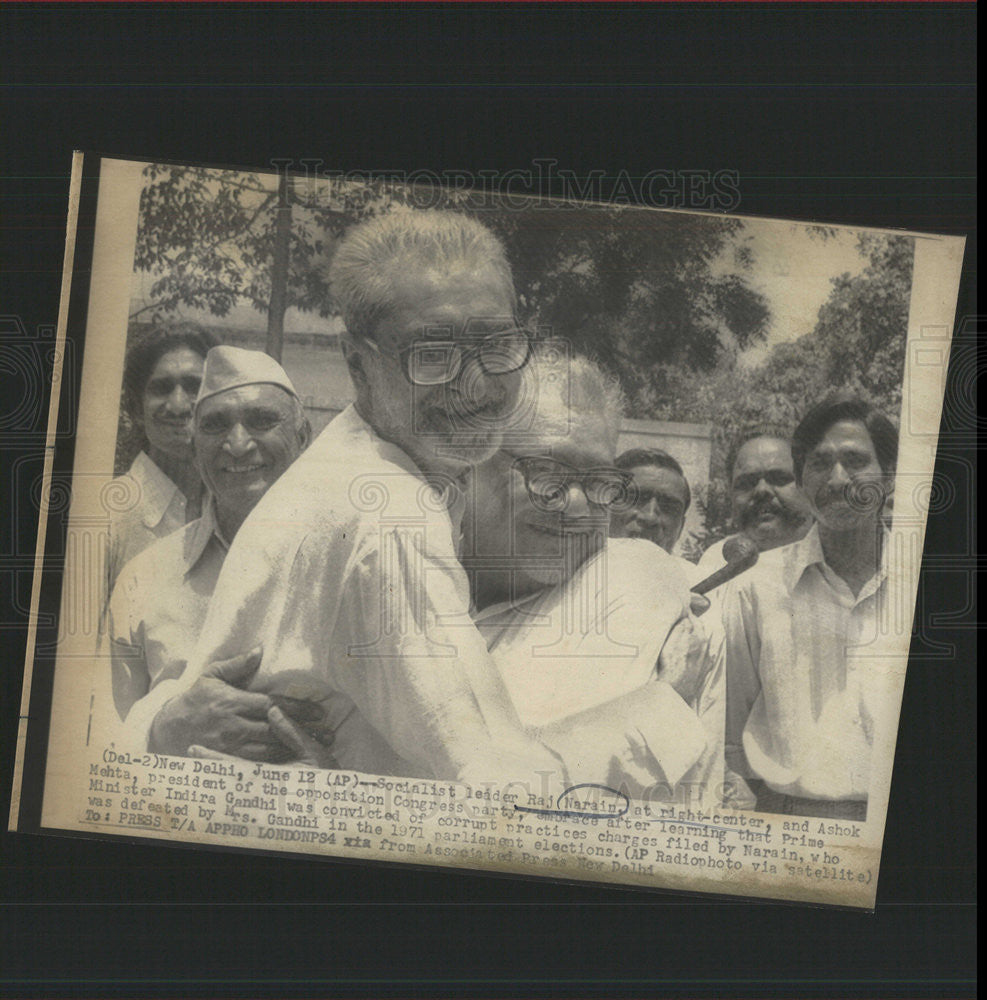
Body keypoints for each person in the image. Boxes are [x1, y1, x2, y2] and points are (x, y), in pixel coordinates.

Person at [143, 209, 577, 789]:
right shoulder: (387, 515)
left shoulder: (371, 470)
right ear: (358, 364)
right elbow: (493, 780)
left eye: (496, 345)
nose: (477, 382)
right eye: (433, 353)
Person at [467, 353, 724, 804]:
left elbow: (497, 796)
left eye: (600, 482)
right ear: (469, 462)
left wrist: (658, 711)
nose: (577, 506)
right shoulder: (404, 581)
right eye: (547, 472)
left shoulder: (632, 586)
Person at [106, 347, 310, 722]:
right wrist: (161, 731)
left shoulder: (354, 562)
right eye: (215, 426)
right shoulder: (142, 578)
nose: (237, 444)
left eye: (261, 420)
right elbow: (103, 732)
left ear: (303, 437)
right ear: (196, 449)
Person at [722, 394, 898, 820]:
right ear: (802, 483)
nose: (838, 479)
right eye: (819, 464)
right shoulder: (758, 589)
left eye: (855, 461)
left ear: (890, 477)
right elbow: (731, 727)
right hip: (785, 820)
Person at [106, 323, 218, 592]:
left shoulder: (227, 508)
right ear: (135, 408)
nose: (178, 405)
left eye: (194, 387)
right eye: (162, 388)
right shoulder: (107, 516)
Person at [696, 423, 812, 579]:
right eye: (747, 483)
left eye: (779, 478)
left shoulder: (836, 561)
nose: (761, 490)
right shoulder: (716, 561)